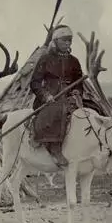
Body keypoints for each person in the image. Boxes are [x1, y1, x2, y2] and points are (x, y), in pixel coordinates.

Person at [29, 24, 84, 167]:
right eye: (64, 40)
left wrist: (77, 92)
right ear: (56, 41)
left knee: (89, 112)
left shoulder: (74, 61)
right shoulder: (45, 59)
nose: (67, 43)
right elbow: (35, 83)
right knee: (58, 109)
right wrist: (45, 95)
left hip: (69, 95)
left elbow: (78, 82)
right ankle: (55, 148)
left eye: (69, 41)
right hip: (50, 97)